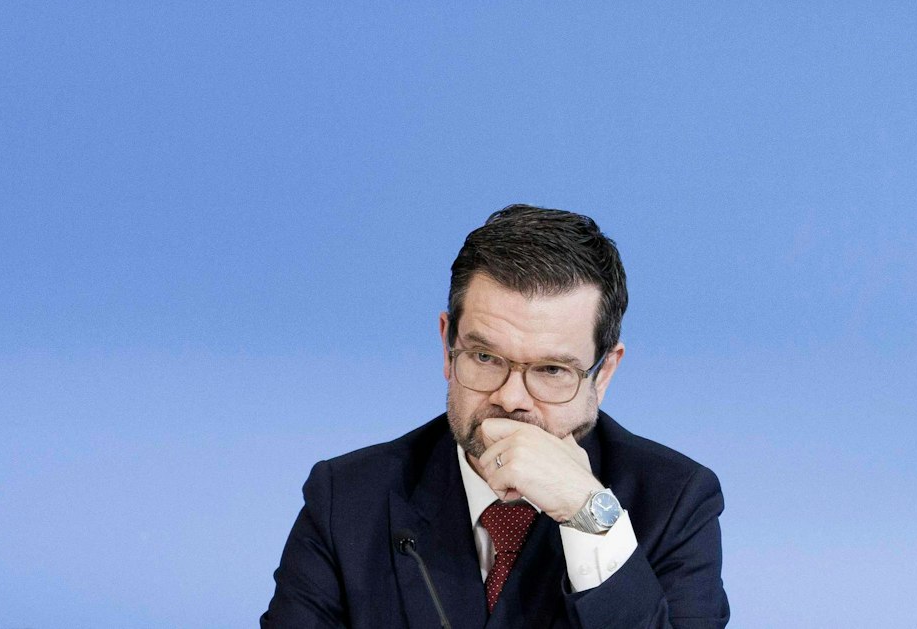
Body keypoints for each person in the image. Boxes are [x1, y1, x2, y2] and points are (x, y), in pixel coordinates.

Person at [262, 204, 730, 628]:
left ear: (603, 373)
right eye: (486, 357)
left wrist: (589, 516)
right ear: (448, 346)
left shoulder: (676, 502)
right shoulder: (346, 499)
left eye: (550, 369)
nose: (510, 398)